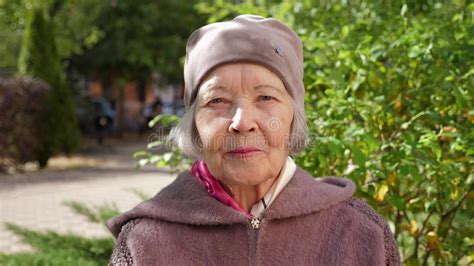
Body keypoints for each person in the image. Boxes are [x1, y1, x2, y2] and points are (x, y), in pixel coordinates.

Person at [107, 14, 401, 265]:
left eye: (265, 97)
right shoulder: (144, 242)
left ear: (293, 117)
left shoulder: (360, 232)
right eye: (217, 100)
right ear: (195, 125)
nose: (242, 123)